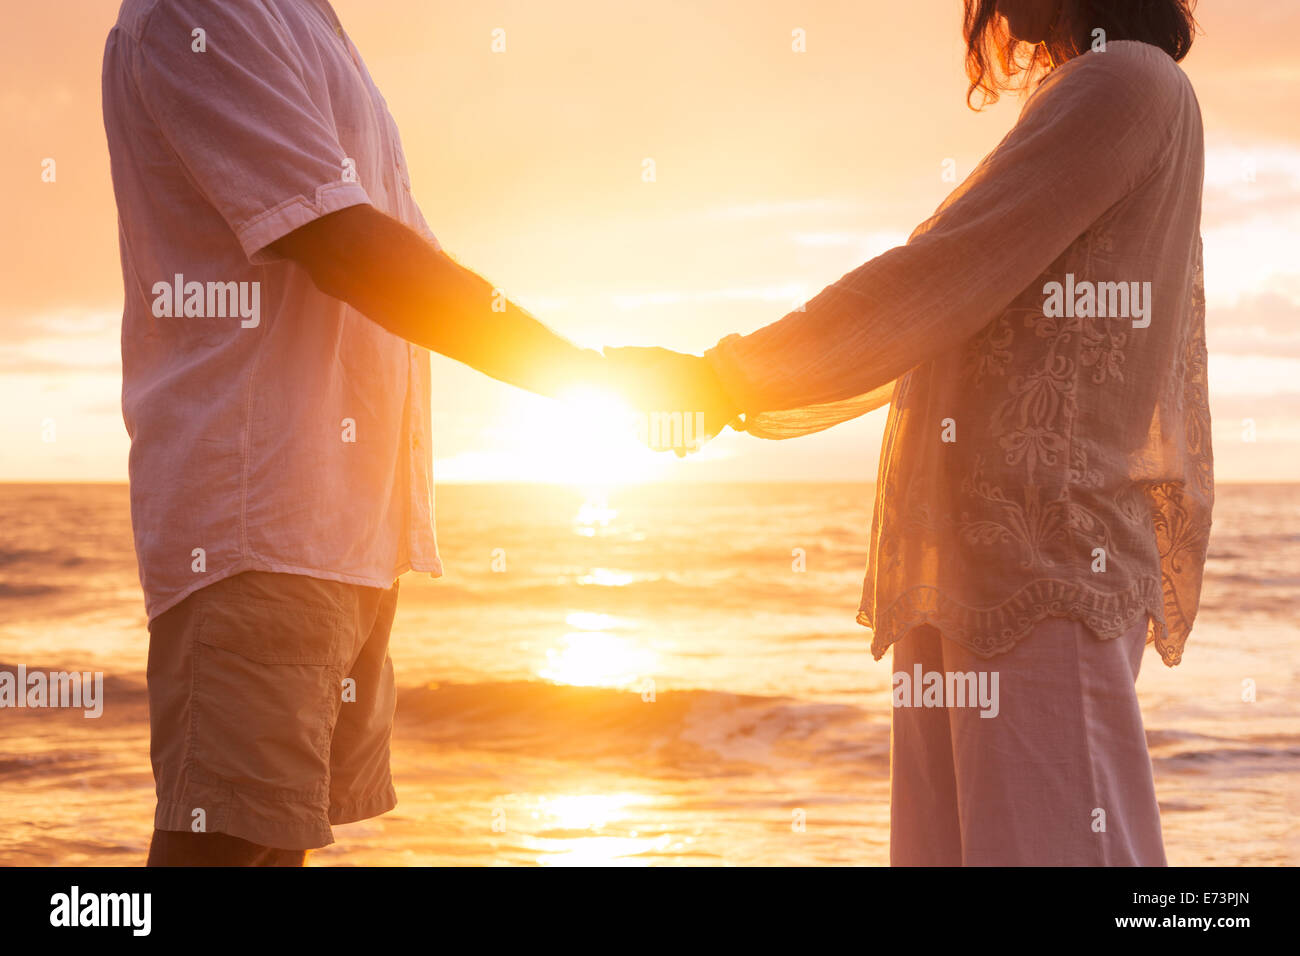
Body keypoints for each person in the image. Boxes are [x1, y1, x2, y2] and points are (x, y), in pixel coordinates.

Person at [613, 0, 1210, 865]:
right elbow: (953, 303)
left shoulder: (1124, 80)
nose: (996, 6)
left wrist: (727, 378)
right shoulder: (1099, 85)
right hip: (984, 561)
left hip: (1042, 564)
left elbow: (945, 276)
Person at [102, 0, 611, 865]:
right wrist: (583, 374)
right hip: (259, 520)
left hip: (344, 533)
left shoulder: (302, 16)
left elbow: (398, 244)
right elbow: (341, 242)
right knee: (224, 848)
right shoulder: (202, 10)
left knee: (272, 848)